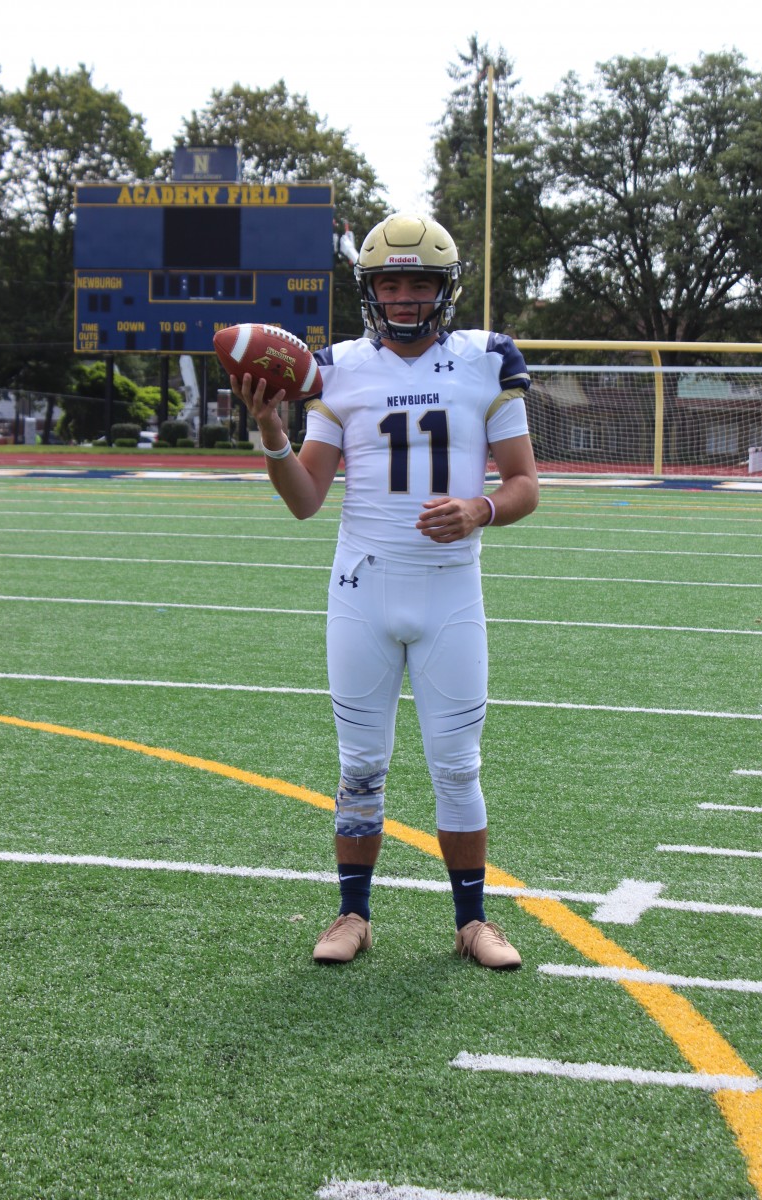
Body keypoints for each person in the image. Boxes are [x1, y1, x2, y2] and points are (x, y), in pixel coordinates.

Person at [233, 213, 539, 969]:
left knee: (458, 765)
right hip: (363, 591)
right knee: (359, 764)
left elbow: (527, 483)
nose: (405, 297)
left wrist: (481, 508)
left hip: (449, 593)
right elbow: (306, 498)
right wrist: (271, 430)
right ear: (371, 291)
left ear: (445, 288)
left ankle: (472, 921)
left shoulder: (487, 361)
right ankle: (352, 913)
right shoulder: (336, 369)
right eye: (390, 283)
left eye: (420, 283)